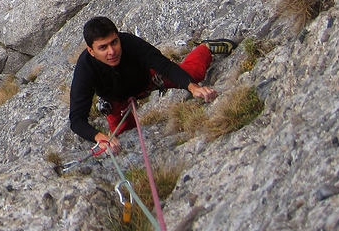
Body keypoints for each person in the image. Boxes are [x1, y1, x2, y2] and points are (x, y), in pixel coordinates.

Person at [69, 16, 237, 154]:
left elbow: (165, 66)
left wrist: (193, 87)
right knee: (122, 143)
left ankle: (204, 48)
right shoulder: (85, 69)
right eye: (103, 47)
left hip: (148, 80)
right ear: (91, 51)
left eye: (114, 42)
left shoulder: (130, 43)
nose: (112, 51)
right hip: (117, 102)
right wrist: (99, 136)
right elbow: (77, 119)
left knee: (193, 75)